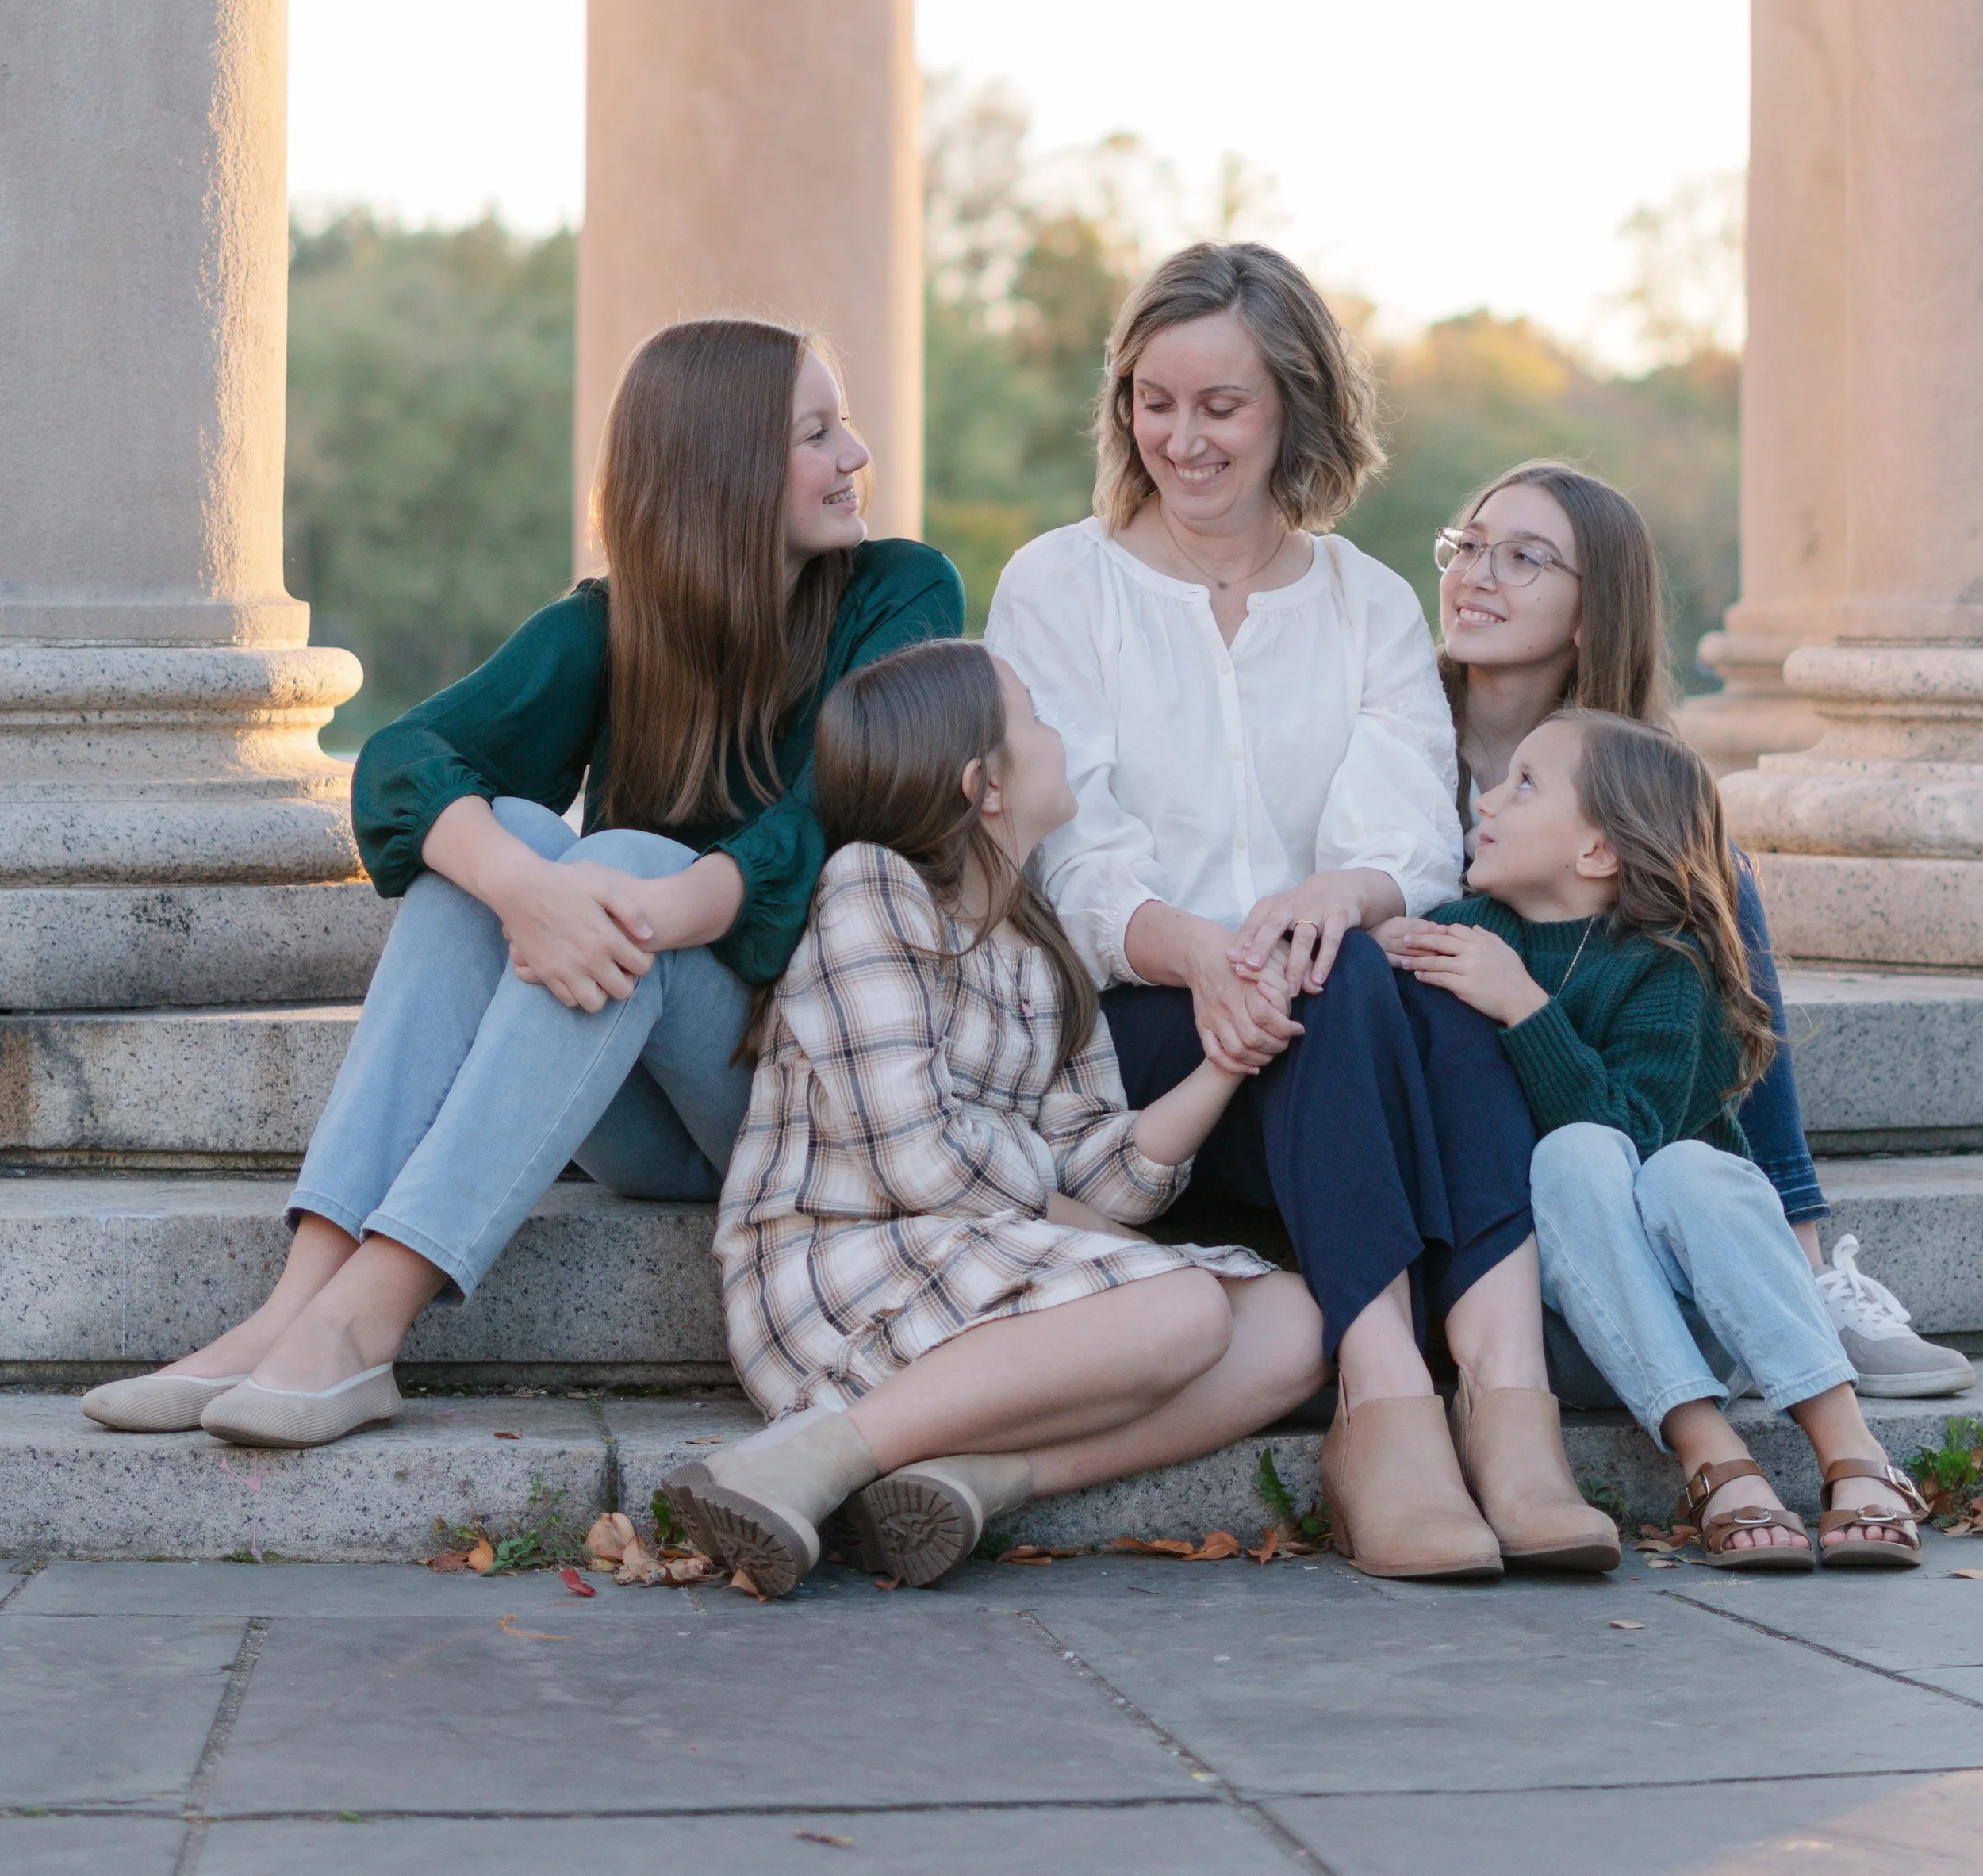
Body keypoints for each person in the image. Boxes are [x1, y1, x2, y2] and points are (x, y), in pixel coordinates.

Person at [81, 318, 963, 1449]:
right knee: (483, 838)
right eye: (817, 431)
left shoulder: (900, 595)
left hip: (800, 1094)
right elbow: (404, 760)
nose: (855, 454)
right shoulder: (611, 623)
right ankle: (290, 1308)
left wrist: (610, 894)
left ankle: (366, 1321)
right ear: (722, 466)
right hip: (641, 1102)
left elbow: (824, 823)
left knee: (617, 858)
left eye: (841, 425)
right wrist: (524, 887)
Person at [985, 240, 1618, 1580]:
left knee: (1406, 962)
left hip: (1339, 1020)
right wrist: (1203, 954)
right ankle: (1388, 1389)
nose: (1184, 439)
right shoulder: (1059, 585)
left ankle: (1505, 1400)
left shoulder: (1368, 603)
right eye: (1157, 402)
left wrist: (1336, 894)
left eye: (1222, 407)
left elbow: (1405, 838)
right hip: (1142, 1042)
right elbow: (1071, 853)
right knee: (1349, 984)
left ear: (1293, 411)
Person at [679, 639, 1331, 1597]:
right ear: (984, 785)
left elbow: (1102, 1174)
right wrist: (1075, 1220)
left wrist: (1225, 1064)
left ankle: (972, 1478)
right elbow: (917, 1162)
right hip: (842, 1271)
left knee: (1301, 1325)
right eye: (1036, 718)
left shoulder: (1039, 943)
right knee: (1185, 1308)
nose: (1058, 736)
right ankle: (808, 1459)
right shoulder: (875, 886)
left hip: (981, 1265)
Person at [1434, 459, 1973, 1398]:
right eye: (1469, 546)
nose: (1476, 574)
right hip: (1466, 1103)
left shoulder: (1630, 778)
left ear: (1592, 611)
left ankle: (1798, 1264)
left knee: (1716, 874)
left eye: (1524, 558)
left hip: (1603, 1095)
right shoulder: (1392, 728)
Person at [1385, 714, 1927, 1571]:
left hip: (1710, 1312)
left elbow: (1631, 1137)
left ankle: (1847, 1444)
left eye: (1524, 784)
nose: (1486, 799)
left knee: (1681, 1167)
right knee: (1568, 1158)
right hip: (1574, 1320)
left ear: (1597, 852)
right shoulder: (1474, 932)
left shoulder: (1665, 970)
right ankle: (1709, 1452)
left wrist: (1524, 1007)